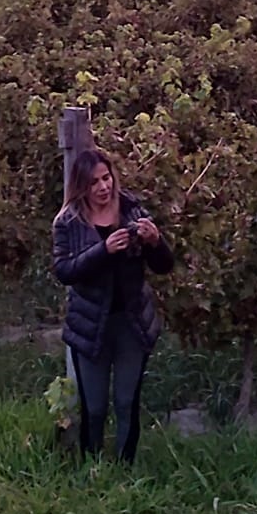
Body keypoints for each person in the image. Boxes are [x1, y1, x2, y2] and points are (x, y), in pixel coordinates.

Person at [51, 145, 174, 462]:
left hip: (131, 324)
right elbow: (64, 271)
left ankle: (124, 471)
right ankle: (92, 472)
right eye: (94, 182)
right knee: (93, 407)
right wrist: (103, 250)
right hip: (91, 326)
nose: (103, 187)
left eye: (107, 178)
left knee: (125, 402)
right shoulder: (68, 222)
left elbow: (164, 265)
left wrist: (154, 241)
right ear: (81, 186)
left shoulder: (132, 210)